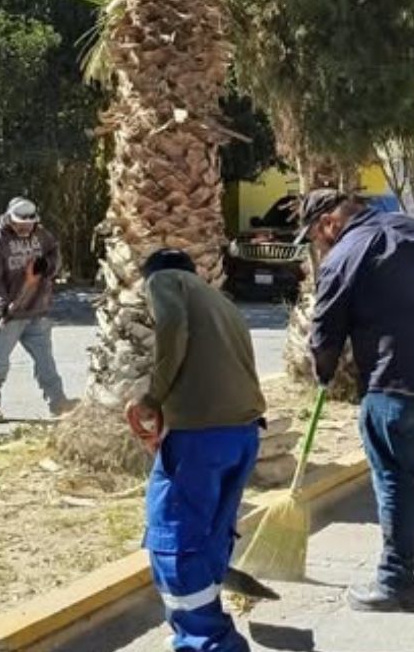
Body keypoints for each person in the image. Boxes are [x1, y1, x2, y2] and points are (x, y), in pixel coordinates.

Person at [298, 189, 414, 613]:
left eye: (315, 238)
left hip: (394, 383)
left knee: (395, 479)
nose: (319, 247)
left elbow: (325, 331)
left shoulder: (342, 256)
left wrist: (324, 373)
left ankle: (397, 581)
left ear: (328, 223)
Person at [126, 248, 267, 652]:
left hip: (199, 441)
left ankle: (207, 640)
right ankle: (205, 627)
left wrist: (153, 397)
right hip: (241, 434)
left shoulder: (165, 281)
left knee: (174, 540)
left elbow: (172, 327)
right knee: (211, 535)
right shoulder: (220, 303)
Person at [0, 197, 77, 423]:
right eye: (19, 224)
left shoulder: (42, 235)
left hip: (36, 309)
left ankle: (58, 403)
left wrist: (48, 266)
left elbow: (54, 252)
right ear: (10, 219)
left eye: (29, 224)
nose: (24, 228)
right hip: (8, 314)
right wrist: (1, 305)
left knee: (46, 361)